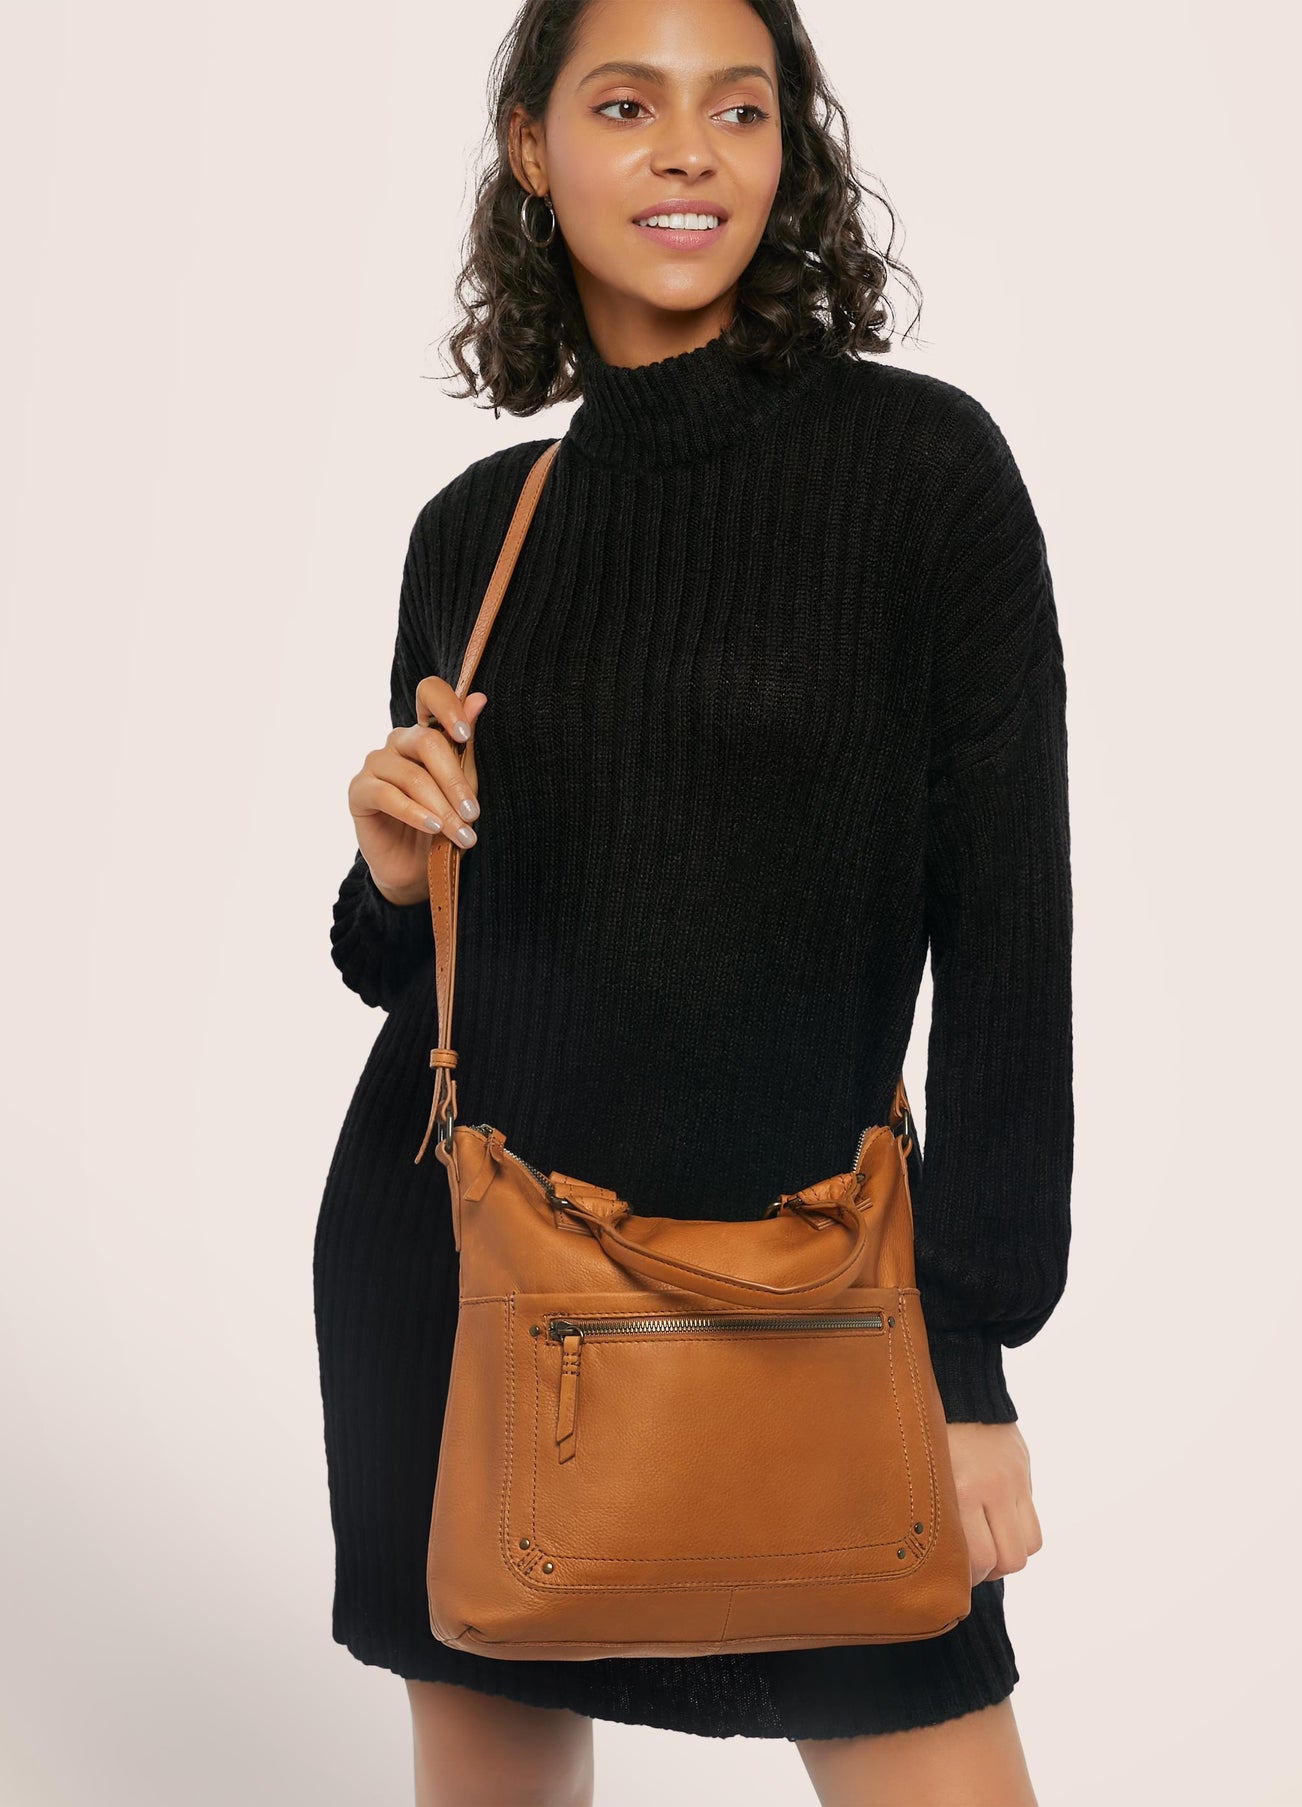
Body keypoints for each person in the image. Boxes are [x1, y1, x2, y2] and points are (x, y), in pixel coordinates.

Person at [314, 0, 1073, 1800]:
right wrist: (388, 879)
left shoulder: (921, 474)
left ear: (785, 148)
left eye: (737, 108)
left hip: (806, 1308)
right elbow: (417, 973)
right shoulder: (477, 530)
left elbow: (1010, 944)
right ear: (530, 144)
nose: (685, 151)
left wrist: (964, 1360)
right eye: (623, 103)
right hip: (470, 1285)